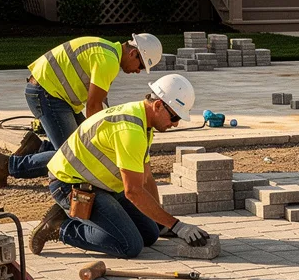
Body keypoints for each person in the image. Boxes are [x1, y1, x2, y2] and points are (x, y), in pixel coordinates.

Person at [29, 74, 209, 259]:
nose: (176, 124)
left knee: (150, 234)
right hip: (69, 183)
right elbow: (133, 191)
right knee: (129, 245)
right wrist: (177, 225)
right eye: (175, 116)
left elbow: (146, 178)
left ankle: (77, 216)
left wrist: (164, 223)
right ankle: (61, 227)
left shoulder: (142, 121)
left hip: (100, 184)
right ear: (157, 105)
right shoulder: (130, 131)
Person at [0, 33, 164, 187]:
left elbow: (96, 100)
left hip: (55, 95)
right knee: (73, 156)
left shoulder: (106, 49)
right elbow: (93, 106)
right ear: (133, 53)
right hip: (48, 94)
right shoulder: (108, 61)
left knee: (82, 145)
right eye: (141, 66)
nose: (138, 71)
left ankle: (38, 147)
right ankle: (8, 165)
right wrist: (97, 140)